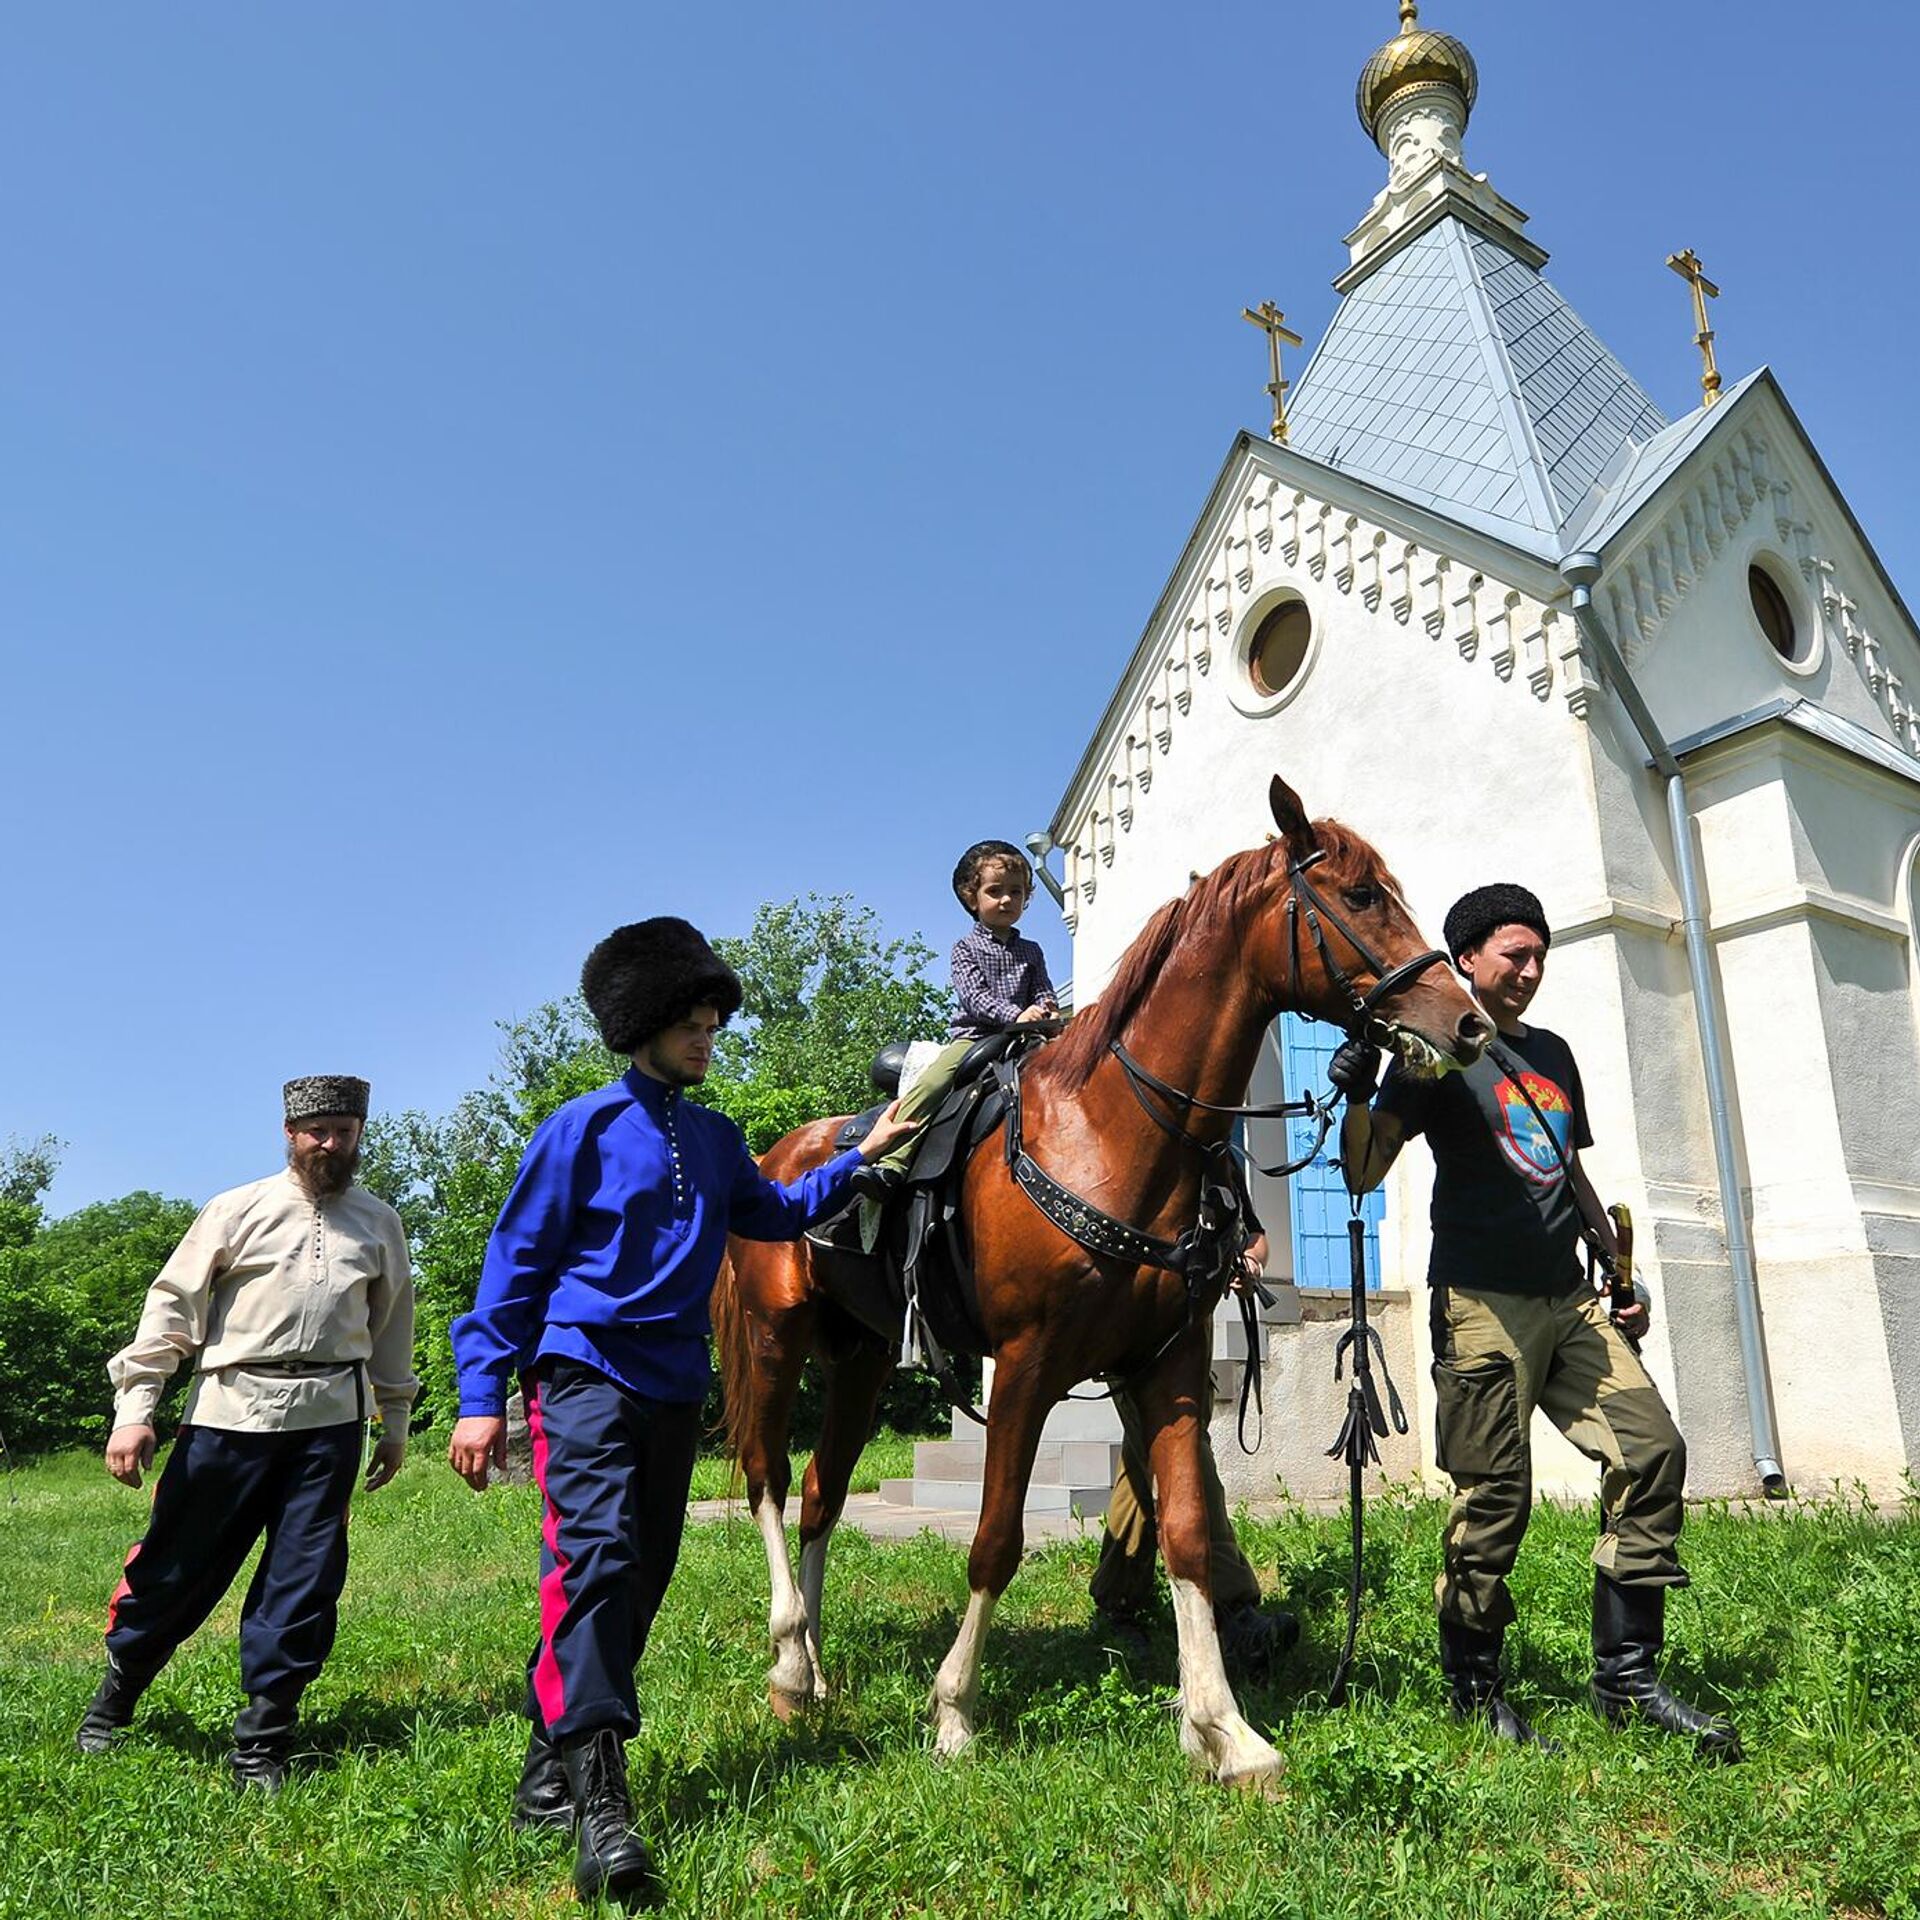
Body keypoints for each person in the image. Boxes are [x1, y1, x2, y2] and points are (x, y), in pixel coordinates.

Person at [446, 917, 919, 1909]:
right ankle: (602, 1809)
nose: (709, 1033)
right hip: (578, 1375)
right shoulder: (577, 1130)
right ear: (643, 1022)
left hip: (671, 1386)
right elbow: (512, 1268)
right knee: (594, 1564)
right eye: (691, 1020)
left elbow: (778, 1213)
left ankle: (549, 1766)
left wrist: (865, 1153)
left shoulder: (711, 1140)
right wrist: (482, 1399)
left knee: (642, 1579)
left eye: (715, 1019)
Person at [1338, 883, 1741, 1759]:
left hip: (1569, 1297)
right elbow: (1365, 1171)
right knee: (1496, 1499)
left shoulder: (1552, 1052)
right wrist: (1362, 1084)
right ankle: (1475, 1690)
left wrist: (1613, 1262)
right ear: (1469, 960)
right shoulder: (1439, 1051)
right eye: (1512, 955)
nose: (1529, 969)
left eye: (1539, 955)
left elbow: (1568, 1170)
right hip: (1480, 1301)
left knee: (1653, 1451)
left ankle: (1627, 1681)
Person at [76, 1075, 417, 1790]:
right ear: (290, 1134)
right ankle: (114, 1702)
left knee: (304, 1579)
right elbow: (171, 1310)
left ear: (359, 1135)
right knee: (177, 1563)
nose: (331, 1142)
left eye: (344, 1130)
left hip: (330, 1423)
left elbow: (392, 1331)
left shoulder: (379, 1222)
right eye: (317, 1130)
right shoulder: (235, 1210)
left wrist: (395, 1422)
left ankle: (262, 1740)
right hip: (230, 1414)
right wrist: (135, 1412)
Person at [1089, 1229, 1300, 1678]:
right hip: (1134, 1331)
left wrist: (1248, 1261)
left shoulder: (1214, 1163)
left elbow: (1256, 1234)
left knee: (1145, 1455)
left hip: (1189, 1333)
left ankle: (1116, 1600)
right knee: (1184, 1457)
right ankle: (1233, 1610)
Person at [851, 839, 1057, 1200]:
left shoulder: (1032, 951)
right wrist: (1017, 1014)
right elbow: (975, 998)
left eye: (1016, 892)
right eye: (995, 891)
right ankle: (891, 1159)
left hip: (1025, 1039)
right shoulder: (965, 947)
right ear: (970, 896)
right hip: (975, 1038)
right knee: (932, 1084)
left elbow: (1043, 990)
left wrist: (1048, 1008)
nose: (1007, 900)